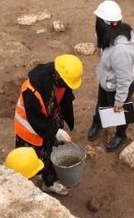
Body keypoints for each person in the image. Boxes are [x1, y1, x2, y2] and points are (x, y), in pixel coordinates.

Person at [13, 54, 83, 196]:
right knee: (38, 159)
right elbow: (34, 119)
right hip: (30, 130)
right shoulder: (32, 90)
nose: (67, 86)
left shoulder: (61, 78)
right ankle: (45, 184)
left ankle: (49, 181)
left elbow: (64, 95)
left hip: (50, 122)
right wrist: (55, 132)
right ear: (58, 75)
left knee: (53, 153)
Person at [87, 0, 134, 152]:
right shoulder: (108, 34)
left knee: (120, 110)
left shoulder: (121, 51)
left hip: (119, 85)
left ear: (104, 24)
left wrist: (120, 100)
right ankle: (98, 122)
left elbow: (124, 78)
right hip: (107, 82)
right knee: (101, 103)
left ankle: (121, 135)